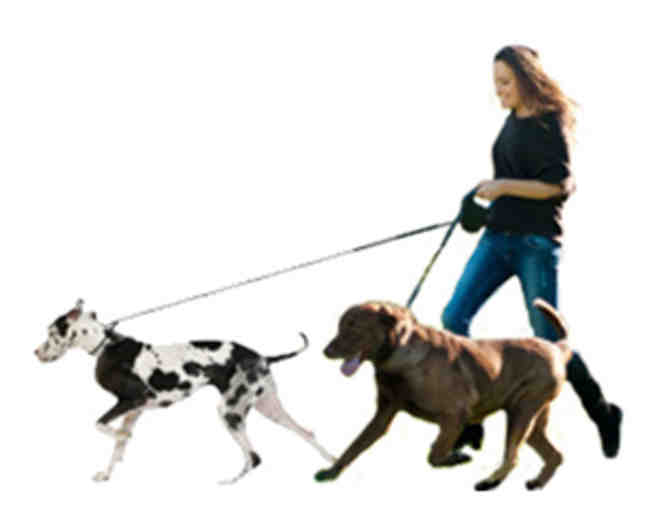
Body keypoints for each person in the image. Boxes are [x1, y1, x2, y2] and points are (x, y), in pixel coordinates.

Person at [442, 45, 622, 459]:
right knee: (453, 318)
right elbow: (512, 178)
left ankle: (603, 412)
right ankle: (471, 418)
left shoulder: (548, 124)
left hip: (534, 244)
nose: (499, 91)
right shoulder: (511, 121)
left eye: (506, 82)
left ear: (525, 79)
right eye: (496, 83)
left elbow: (558, 186)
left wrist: (502, 187)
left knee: (549, 341)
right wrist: (481, 198)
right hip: (497, 238)